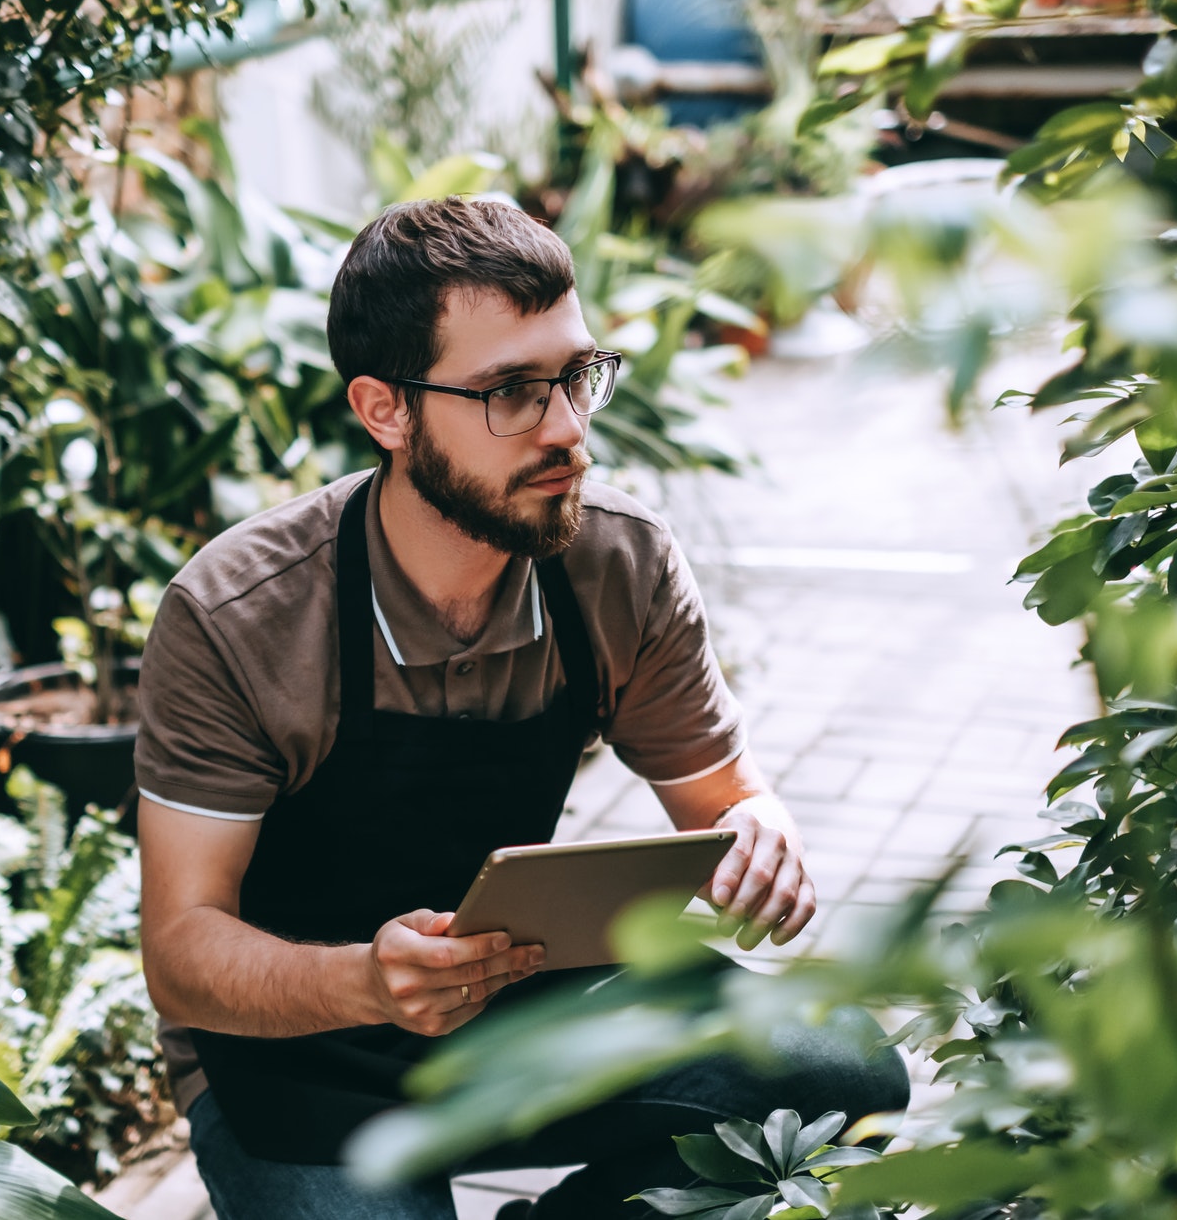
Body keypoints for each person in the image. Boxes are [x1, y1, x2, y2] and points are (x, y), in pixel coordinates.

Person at [135, 197, 908, 1218]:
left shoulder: (616, 564)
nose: (566, 430)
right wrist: (370, 981)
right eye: (508, 392)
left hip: (521, 1005)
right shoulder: (239, 614)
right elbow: (182, 955)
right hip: (298, 1055)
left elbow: (725, 797)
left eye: (573, 376)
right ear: (385, 411)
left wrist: (756, 832)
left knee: (844, 1079)